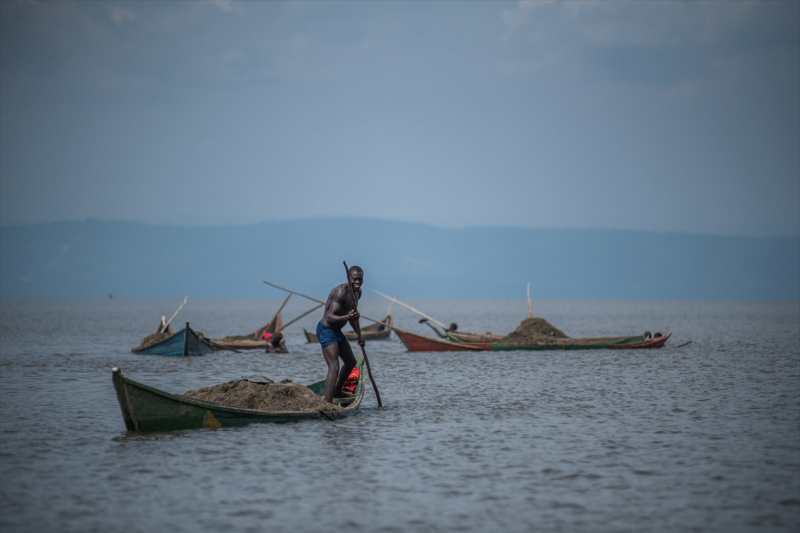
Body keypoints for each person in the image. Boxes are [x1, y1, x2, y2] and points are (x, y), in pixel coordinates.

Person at [316, 265, 364, 403]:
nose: (357, 282)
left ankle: (337, 391)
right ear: (348, 278)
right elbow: (330, 317)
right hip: (326, 330)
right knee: (334, 366)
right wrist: (347, 317)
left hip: (337, 331)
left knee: (351, 362)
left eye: (360, 280)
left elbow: (352, 318)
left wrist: (359, 336)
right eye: (354, 279)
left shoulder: (357, 293)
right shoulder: (340, 292)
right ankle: (327, 402)